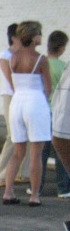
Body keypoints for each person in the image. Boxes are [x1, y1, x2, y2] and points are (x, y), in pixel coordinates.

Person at [2, 21, 53, 206]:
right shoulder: (41, 59)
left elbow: (13, 83)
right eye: (39, 33)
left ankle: (8, 192)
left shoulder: (12, 58)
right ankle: (34, 196)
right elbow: (48, 88)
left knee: (17, 152)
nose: (41, 36)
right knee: (36, 154)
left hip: (17, 102)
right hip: (35, 101)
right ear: (33, 37)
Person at [0, 24, 29, 187]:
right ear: (14, 38)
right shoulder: (4, 55)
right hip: (11, 96)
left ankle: (22, 172)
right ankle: (1, 175)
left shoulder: (25, 54)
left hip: (24, 96)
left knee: (28, 134)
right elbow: (10, 77)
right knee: (12, 135)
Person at [40, 30, 70, 198]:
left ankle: (37, 186)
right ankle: (63, 188)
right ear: (62, 47)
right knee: (61, 152)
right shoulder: (63, 66)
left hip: (41, 111)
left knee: (41, 152)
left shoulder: (40, 63)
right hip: (57, 112)